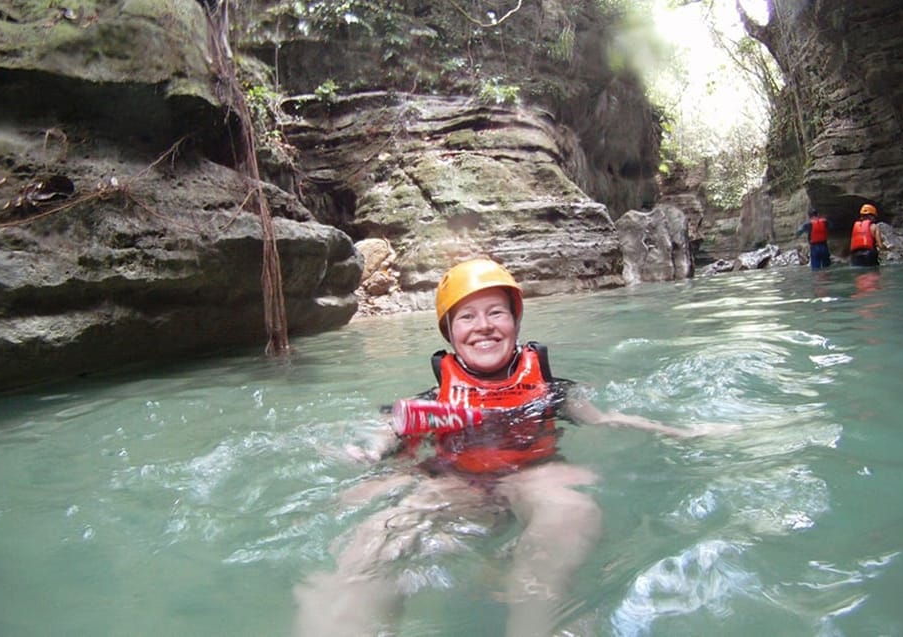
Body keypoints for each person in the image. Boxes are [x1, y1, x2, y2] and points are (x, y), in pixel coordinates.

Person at [294, 258, 718, 637]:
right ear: (450, 331)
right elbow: (387, 430)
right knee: (379, 540)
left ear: (515, 322)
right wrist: (368, 451)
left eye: (497, 312)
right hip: (456, 481)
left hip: (535, 475)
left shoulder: (551, 390)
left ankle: (544, 616)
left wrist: (685, 431)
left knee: (571, 514)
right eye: (467, 317)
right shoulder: (431, 400)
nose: (484, 326)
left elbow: (606, 419)